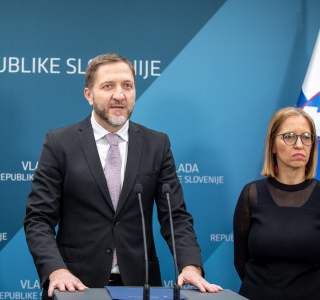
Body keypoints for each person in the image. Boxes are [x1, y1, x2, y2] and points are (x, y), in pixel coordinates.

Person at [24, 53, 223, 299]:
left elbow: (176, 217)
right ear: (89, 95)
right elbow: (38, 219)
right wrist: (56, 270)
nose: (119, 95)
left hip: (141, 285)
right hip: (75, 286)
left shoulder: (156, 144)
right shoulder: (60, 143)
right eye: (108, 86)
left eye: (127, 86)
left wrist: (190, 265)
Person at [234, 107, 320, 299]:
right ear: (273, 145)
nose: (299, 145)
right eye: (289, 136)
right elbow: (241, 260)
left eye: (306, 137)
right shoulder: (252, 194)